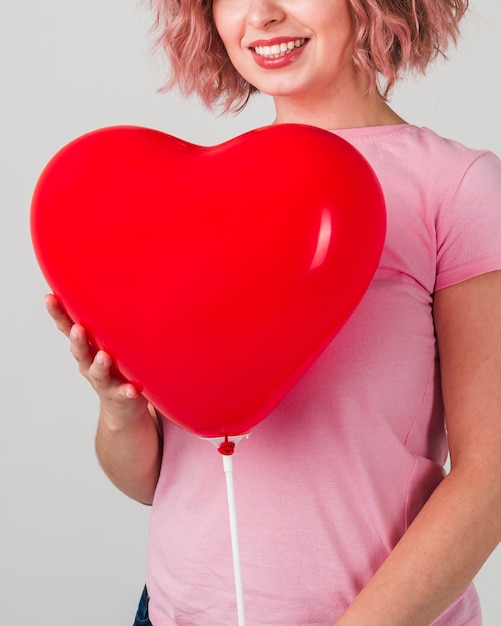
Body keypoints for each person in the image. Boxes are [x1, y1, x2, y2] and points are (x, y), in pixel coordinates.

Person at [45, 0, 501, 624]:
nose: (260, 15)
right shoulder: (200, 190)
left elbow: (491, 479)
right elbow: (155, 485)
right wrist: (121, 412)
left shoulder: (455, 184)